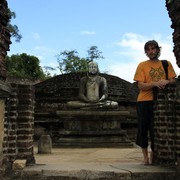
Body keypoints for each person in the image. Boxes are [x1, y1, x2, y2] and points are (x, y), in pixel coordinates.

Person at [133, 40, 176, 165]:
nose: (151, 51)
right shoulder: (142, 65)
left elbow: (173, 80)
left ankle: (153, 156)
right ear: (146, 52)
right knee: (142, 129)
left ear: (158, 49)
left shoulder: (166, 64)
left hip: (160, 102)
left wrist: (166, 82)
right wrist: (155, 83)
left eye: (153, 48)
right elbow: (140, 86)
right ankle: (145, 157)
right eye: (148, 49)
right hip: (143, 101)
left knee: (156, 130)